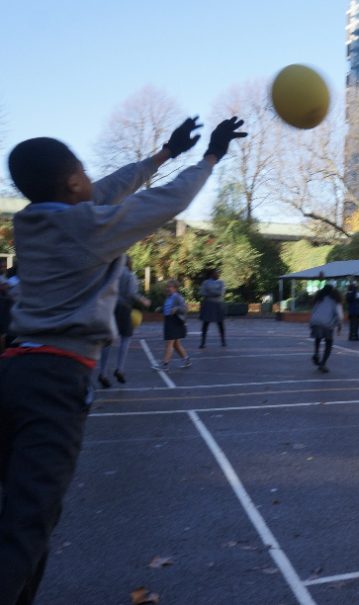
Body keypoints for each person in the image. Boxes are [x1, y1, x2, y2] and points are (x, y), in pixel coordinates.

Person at [0, 115, 246, 604]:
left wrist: (162, 155)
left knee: (28, 521)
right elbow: (168, 201)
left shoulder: (33, 222)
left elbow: (106, 189)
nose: (93, 180)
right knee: (27, 522)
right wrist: (210, 158)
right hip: (56, 380)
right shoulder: (87, 227)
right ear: (73, 181)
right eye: (84, 173)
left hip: (15, 369)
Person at [94, 255, 150, 387]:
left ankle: (102, 373)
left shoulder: (110, 274)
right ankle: (120, 369)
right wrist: (143, 300)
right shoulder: (130, 275)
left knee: (107, 341)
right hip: (124, 308)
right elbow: (131, 293)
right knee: (126, 338)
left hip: (110, 307)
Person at [155, 279, 191, 370]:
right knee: (176, 344)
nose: (167, 288)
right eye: (167, 286)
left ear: (175, 288)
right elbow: (166, 308)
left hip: (175, 321)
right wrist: (160, 309)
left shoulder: (178, 297)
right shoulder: (168, 297)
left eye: (169, 287)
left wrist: (177, 309)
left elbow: (185, 308)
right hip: (168, 321)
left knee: (169, 343)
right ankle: (186, 360)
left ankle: (165, 364)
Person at [310, 284, 343, 373]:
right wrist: (339, 326)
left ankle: (316, 353)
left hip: (315, 321)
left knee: (318, 338)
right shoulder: (335, 300)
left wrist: (312, 323)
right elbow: (339, 315)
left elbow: (313, 311)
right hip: (327, 324)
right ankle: (323, 364)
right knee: (329, 343)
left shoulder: (318, 299)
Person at [198, 268, 226, 348]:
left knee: (220, 323)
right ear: (212, 274)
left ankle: (223, 341)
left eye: (218, 273)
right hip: (208, 304)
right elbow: (202, 292)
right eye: (216, 273)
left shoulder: (221, 282)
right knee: (205, 324)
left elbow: (221, 293)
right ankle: (203, 342)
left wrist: (210, 291)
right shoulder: (205, 282)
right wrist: (214, 292)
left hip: (218, 304)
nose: (218, 274)